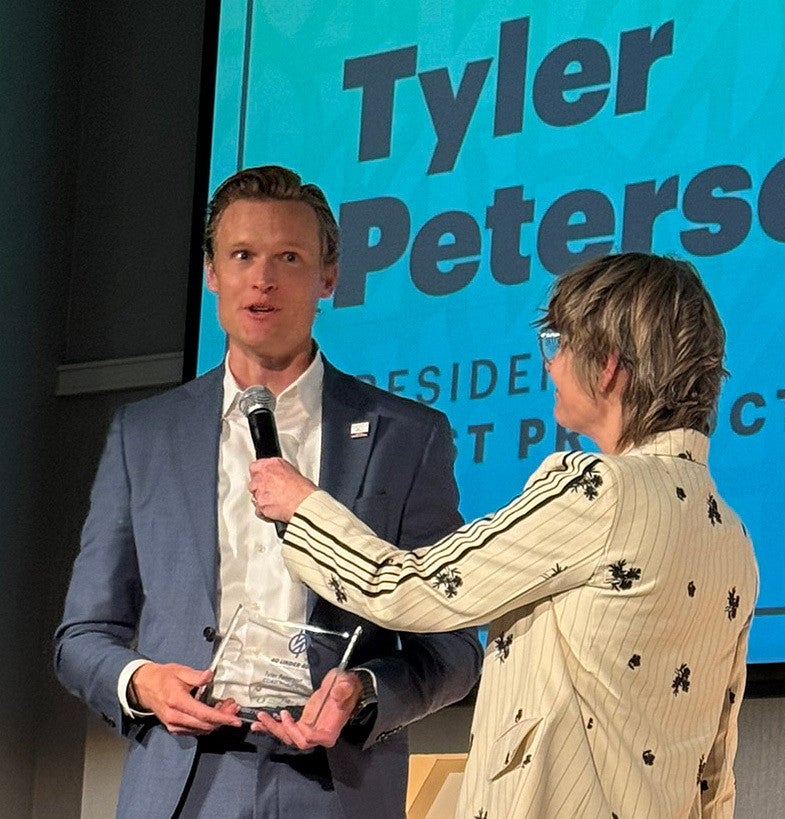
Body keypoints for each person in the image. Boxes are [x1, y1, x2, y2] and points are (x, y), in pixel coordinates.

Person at [249, 253, 759, 818]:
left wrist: (303, 505)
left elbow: (410, 586)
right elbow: (716, 764)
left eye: (559, 345)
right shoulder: (732, 538)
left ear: (609, 367)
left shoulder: (598, 489)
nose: (550, 365)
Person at [54, 165, 482, 818]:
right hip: (181, 781)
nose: (263, 279)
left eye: (289, 257)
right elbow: (82, 635)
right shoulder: (143, 435)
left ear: (328, 277)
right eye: (242, 255)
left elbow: (452, 648)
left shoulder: (407, 436)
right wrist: (142, 681)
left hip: (335, 783)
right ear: (212, 273)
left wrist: (364, 692)